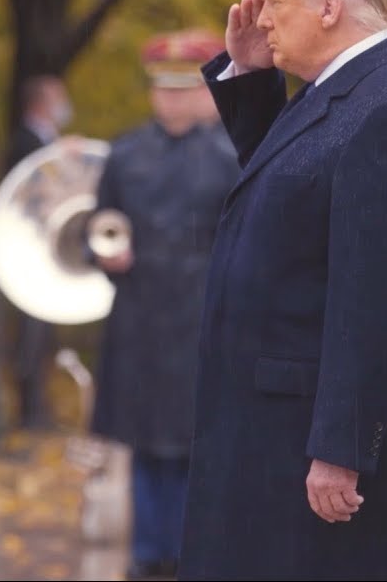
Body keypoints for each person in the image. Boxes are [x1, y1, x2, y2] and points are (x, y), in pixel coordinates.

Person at [179, 0, 387, 580]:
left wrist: (341, 448)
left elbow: (376, 299)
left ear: (330, 8)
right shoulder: (354, 87)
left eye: (275, 2)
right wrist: (250, 75)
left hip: (308, 450)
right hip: (274, 427)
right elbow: (289, 191)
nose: (263, 16)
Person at [86, 29, 237, 581]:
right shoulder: (124, 154)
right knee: (146, 442)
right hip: (142, 320)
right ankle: (150, 553)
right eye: (163, 90)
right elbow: (95, 229)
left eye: (183, 89)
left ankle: (193, 552)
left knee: (201, 443)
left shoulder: (231, 154)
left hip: (203, 320)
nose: (172, 99)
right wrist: (104, 253)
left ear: (205, 91)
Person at [4, 75, 74, 430]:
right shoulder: (25, 141)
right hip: (30, 252)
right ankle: (29, 412)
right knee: (31, 334)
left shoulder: (46, 141)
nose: (65, 106)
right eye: (59, 99)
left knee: (43, 335)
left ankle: (39, 408)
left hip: (49, 251)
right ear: (41, 103)